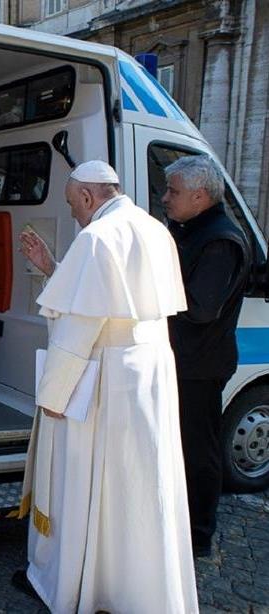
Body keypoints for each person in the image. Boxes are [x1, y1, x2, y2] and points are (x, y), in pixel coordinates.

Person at [16, 160, 198, 613]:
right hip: (148, 372)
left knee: (88, 483)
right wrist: (53, 267)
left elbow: (80, 325)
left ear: (86, 196)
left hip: (105, 377)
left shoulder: (97, 237)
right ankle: (134, 589)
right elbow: (109, 298)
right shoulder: (154, 229)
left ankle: (79, 586)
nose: (73, 213)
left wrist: (54, 395)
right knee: (134, 485)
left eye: (72, 204)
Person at [162, 155, 250, 558]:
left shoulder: (220, 240)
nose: (166, 198)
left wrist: (151, 290)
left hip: (199, 366)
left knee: (198, 451)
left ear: (199, 196)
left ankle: (198, 535)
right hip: (181, 360)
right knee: (177, 447)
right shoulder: (190, 229)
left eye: (173, 191)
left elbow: (201, 307)